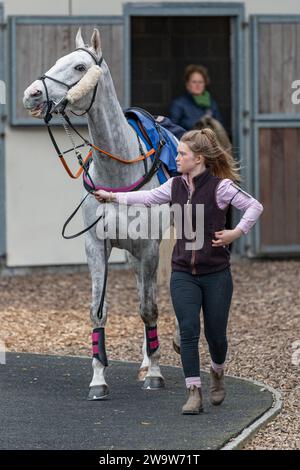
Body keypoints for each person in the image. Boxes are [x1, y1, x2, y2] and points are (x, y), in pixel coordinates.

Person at [92, 128, 264, 415]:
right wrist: (110, 196)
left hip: (216, 274)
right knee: (187, 332)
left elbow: (253, 206)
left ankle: (218, 373)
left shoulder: (220, 187)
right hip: (182, 272)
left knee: (216, 336)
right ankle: (193, 391)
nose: (177, 158)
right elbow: (144, 198)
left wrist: (236, 233)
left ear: (197, 159)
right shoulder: (173, 186)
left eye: (181, 154)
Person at [170, 64, 224, 130]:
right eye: (194, 82)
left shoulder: (212, 104)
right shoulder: (179, 104)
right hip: (187, 139)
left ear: (205, 84)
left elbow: (220, 128)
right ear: (187, 84)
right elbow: (171, 129)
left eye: (200, 82)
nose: (197, 85)